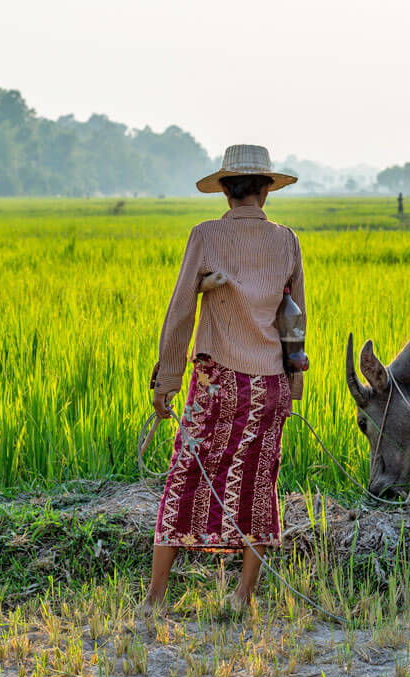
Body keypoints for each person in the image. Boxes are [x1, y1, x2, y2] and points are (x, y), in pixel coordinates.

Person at [142, 144, 305, 612]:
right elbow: (295, 319)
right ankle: (242, 597)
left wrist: (167, 380)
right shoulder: (287, 240)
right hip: (269, 383)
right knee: (259, 482)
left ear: (226, 191)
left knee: (185, 477)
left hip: (216, 383)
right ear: (266, 191)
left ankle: (155, 598)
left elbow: (180, 312)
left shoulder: (206, 235)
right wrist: (293, 387)